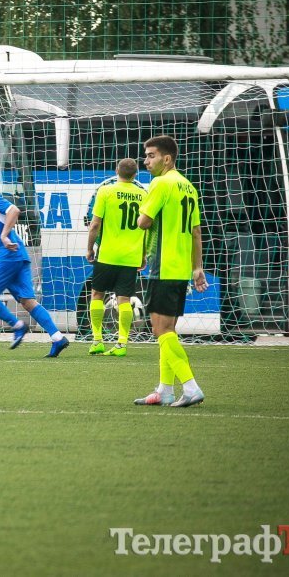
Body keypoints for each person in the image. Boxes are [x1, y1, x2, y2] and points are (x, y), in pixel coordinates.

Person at [0, 170, 70, 357]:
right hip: (18, 255)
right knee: (28, 301)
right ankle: (58, 338)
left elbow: (14, 210)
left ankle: (17, 325)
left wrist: (4, 236)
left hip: (8, 256)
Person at [134, 135, 208, 407]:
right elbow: (196, 231)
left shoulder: (161, 183)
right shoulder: (188, 186)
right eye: (145, 156)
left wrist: (141, 214)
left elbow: (143, 222)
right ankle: (165, 390)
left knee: (161, 331)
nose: (146, 161)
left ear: (167, 159)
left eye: (151, 155)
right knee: (168, 331)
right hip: (179, 270)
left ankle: (190, 387)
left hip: (162, 267)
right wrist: (197, 267)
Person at [85, 158, 147, 356]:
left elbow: (95, 224)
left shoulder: (106, 191)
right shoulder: (143, 194)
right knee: (124, 299)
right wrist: (143, 254)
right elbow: (147, 228)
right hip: (131, 257)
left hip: (107, 255)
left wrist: (89, 249)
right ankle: (121, 344)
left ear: (116, 171)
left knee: (97, 294)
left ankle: (97, 340)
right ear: (135, 174)